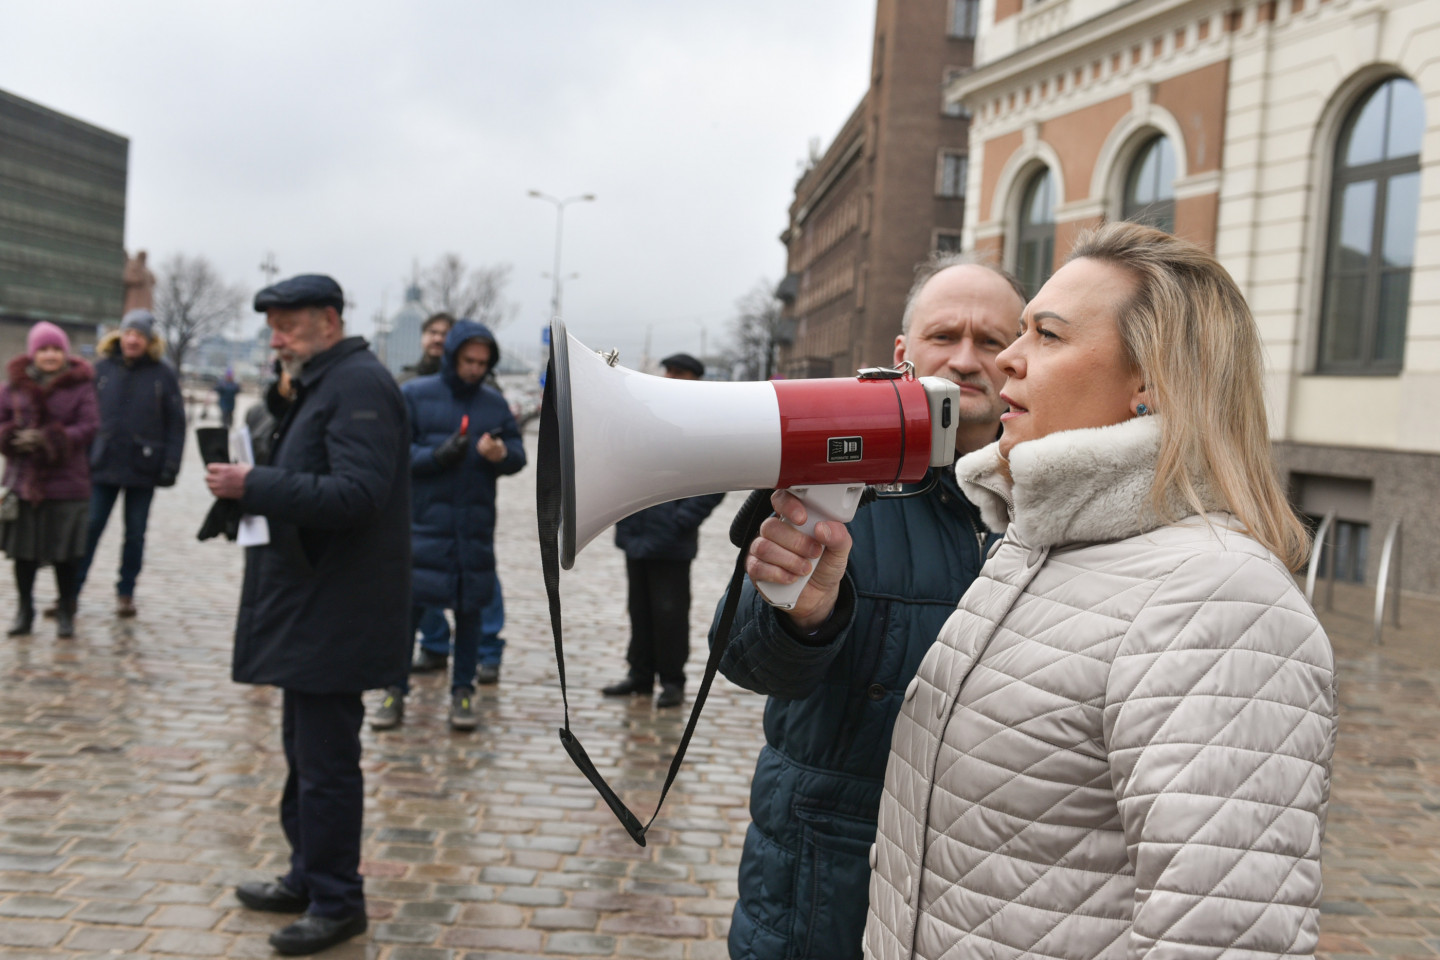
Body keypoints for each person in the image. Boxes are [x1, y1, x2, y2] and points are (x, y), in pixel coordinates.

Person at [863, 222, 1337, 959]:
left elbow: (1220, 933)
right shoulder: (1033, 547)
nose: (1005, 363)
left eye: (1045, 337)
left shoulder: (1219, 599)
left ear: (1151, 381)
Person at [713, 256, 1026, 959]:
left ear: (1022, 357)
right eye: (944, 336)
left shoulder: (1055, 501)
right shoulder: (835, 468)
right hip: (827, 879)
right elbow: (740, 653)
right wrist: (801, 616)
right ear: (901, 356)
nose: (967, 360)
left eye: (992, 340)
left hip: (989, 878)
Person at [206, 274, 410, 956]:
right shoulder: (319, 382)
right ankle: (306, 874)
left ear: (329, 319)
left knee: (327, 765)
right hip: (311, 602)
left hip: (338, 608)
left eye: (288, 324)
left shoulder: (357, 385)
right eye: (272, 326)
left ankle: (337, 900)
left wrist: (253, 484)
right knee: (303, 755)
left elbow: (358, 495)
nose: (277, 337)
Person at [371, 319, 524, 731]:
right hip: (422, 524)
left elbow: (518, 454)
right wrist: (438, 455)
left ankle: (463, 691)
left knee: (471, 613)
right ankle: (393, 691)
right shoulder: (415, 395)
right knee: (408, 614)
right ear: (453, 356)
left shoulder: (493, 403)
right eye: (468, 360)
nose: (474, 368)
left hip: (473, 525)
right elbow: (395, 455)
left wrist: (500, 455)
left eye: (481, 361)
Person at [598, 352, 725, 710]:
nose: (670, 376)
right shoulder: (645, 413)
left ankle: (672, 681)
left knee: (670, 613)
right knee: (638, 609)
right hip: (637, 530)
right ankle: (639, 675)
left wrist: (682, 519)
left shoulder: (703, 423)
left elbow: (716, 478)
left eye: (680, 372)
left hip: (671, 538)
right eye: (668, 370)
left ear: (695, 379)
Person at [75, 308, 185, 619]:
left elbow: (176, 423)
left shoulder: (163, 375)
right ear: (119, 336)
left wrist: (171, 464)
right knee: (91, 527)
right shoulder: (102, 369)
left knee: (135, 533)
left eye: (138, 335)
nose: (132, 340)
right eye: (128, 333)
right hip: (103, 462)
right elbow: (84, 415)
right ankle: (72, 590)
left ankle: (126, 592)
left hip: (143, 466)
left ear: (149, 341)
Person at [0, 323, 99, 639]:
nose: (50, 355)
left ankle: (66, 611)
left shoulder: (81, 386)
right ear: (33, 353)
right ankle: (24, 610)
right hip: (24, 482)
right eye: (43, 349)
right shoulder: (12, 388)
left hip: (67, 483)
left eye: (56, 349)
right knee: (24, 554)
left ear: (65, 353)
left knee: (65, 555)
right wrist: (12, 438)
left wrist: (49, 440)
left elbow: (89, 426)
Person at [399, 312, 460, 677]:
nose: (437, 339)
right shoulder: (406, 381)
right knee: (421, 572)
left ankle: (485, 648)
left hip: (461, 494)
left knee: (475, 577)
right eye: (432, 332)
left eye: (445, 334)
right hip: (415, 491)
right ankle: (434, 643)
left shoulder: (473, 383)